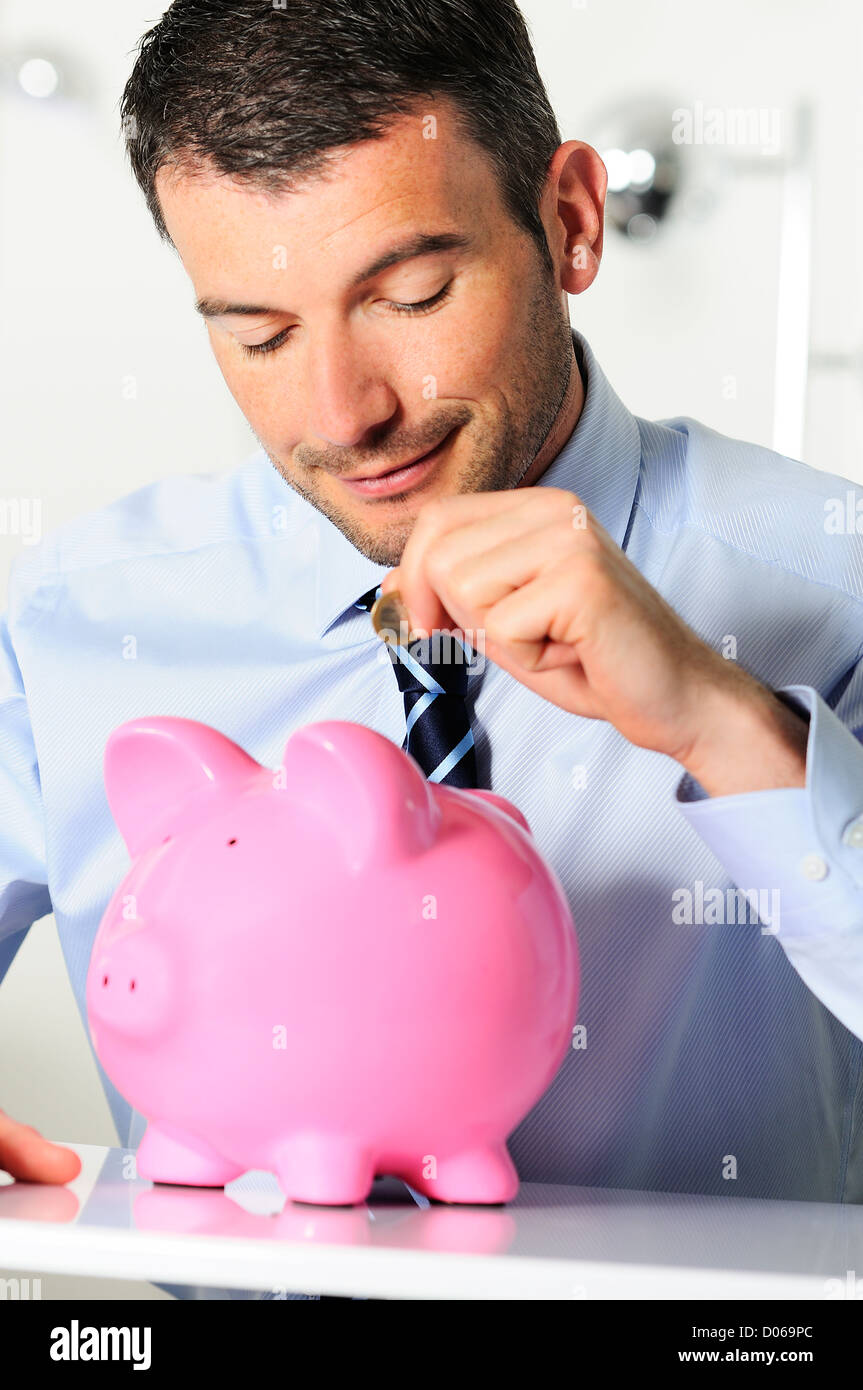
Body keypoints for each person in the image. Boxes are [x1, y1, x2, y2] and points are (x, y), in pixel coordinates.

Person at [2, 0, 863, 1300]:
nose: (347, 414)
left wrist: (722, 722)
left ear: (571, 220)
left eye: (410, 293)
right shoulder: (76, 618)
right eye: (259, 334)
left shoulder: (831, 577)